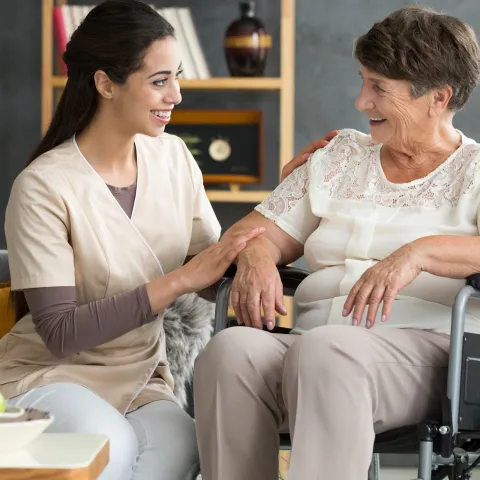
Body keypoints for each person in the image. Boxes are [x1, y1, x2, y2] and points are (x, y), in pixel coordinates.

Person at [194, 6, 480, 479]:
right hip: (311, 342)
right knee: (231, 351)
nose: (361, 102)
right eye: (363, 81)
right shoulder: (340, 155)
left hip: (428, 354)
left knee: (327, 350)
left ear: (438, 98)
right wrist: (258, 258)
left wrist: (420, 252)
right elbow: (255, 232)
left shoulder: (474, 170)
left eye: (379, 89)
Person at [0, 1, 278, 479]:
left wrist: (283, 211)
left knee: (186, 449)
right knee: (113, 444)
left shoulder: (174, 159)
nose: (176, 95)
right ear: (106, 83)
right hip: (51, 376)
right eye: (159, 80)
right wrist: (179, 281)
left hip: (145, 377)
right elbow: (61, 333)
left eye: (178, 76)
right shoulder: (42, 187)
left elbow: (212, 269)